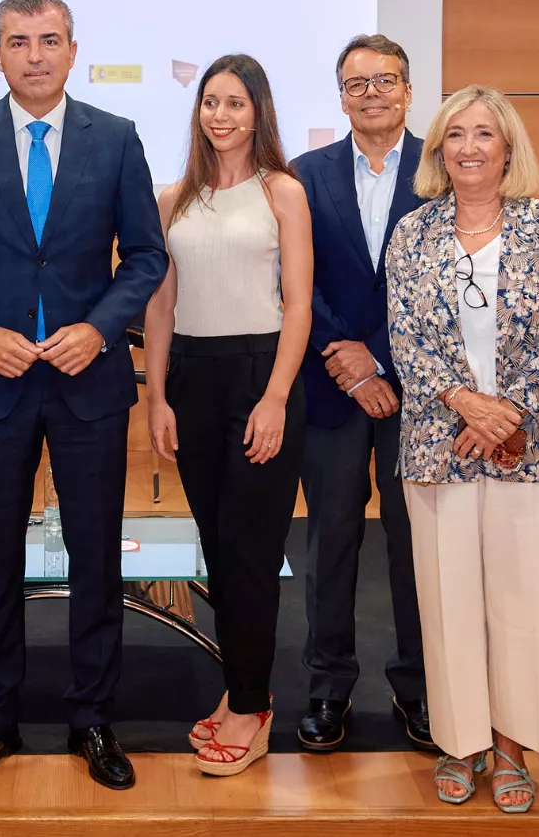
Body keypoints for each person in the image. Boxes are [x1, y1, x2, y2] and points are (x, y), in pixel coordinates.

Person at [0, 0, 167, 791]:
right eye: (18, 41)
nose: (35, 54)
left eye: (49, 39)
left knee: (96, 558)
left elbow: (147, 260)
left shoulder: (116, 139)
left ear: (72, 47)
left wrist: (98, 328)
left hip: (88, 380)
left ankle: (92, 718)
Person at [386, 86, 539, 813]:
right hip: (440, 442)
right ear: (439, 151)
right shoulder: (412, 232)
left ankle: (510, 747)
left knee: (524, 598)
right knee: (448, 600)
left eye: (484, 134)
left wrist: (508, 415)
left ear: (508, 148)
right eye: (456, 136)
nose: (470, 148)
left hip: (535, 442)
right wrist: (467, 406)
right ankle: (460, 742)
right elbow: (406, 335)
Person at [144, 54, 313, 777]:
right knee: (217, 547)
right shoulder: (173, 198)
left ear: (258, 111)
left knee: (249, 549)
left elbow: (300, 304)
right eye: (210, 102)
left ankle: (250, 708)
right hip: (191, 377)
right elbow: (160, 305)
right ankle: (243, 687)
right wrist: (156, 395)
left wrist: (274, 397)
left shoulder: (284, 192)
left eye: (235, 103)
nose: (220, 115)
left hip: (260, 377)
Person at [290, 34, 431, 753]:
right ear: (339, 95)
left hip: (423, 393)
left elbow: (443, 282)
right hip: (328, 386)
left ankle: (421, 687)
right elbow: (294, 276)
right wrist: (345, 358)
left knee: (416, 546)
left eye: (385, 81)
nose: (370, 94)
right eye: (356, 84)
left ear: (409, 89)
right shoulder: (303, 174)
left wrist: (376, 358)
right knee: (331, 542)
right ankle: (327, 686)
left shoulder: (444, 170)